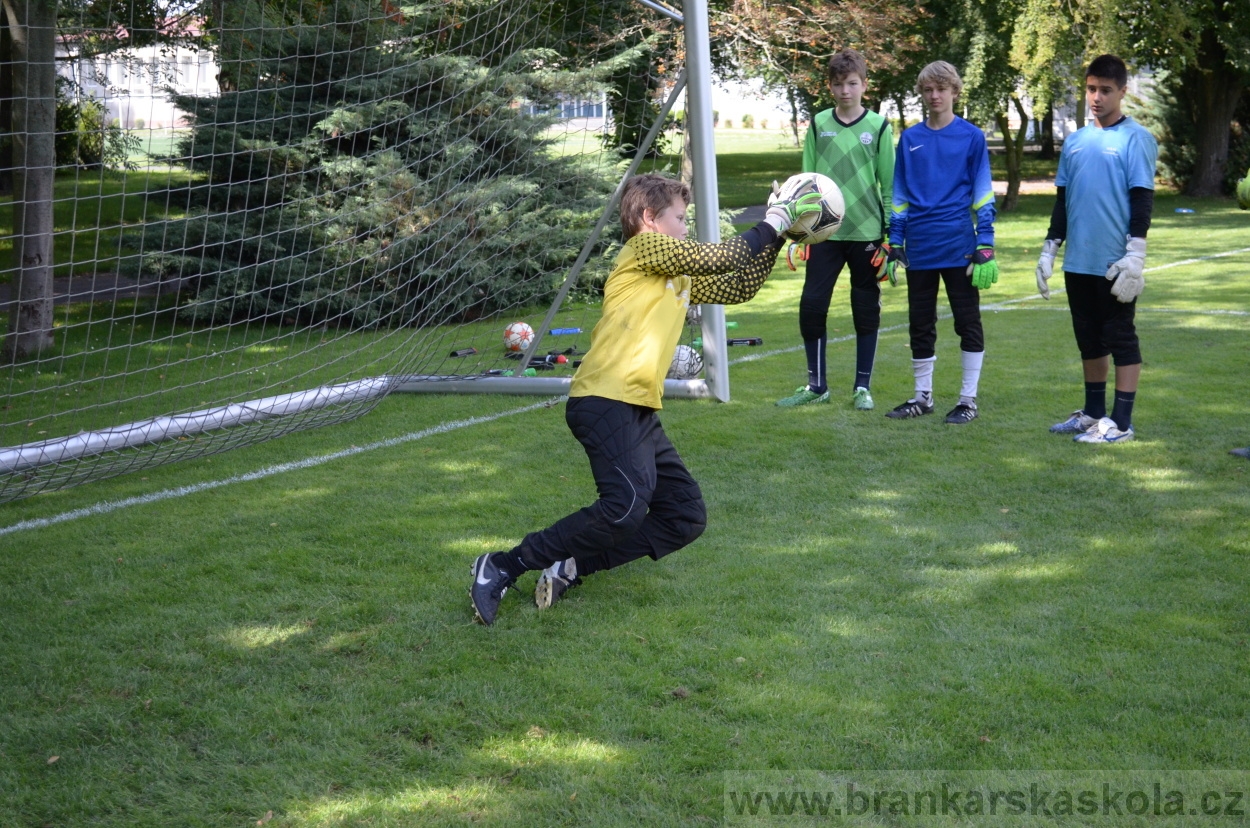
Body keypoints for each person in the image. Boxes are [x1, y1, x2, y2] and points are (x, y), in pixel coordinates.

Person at [469, 173, 820, 625]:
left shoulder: (676, 273)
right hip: (604, 397)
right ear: (649, 218)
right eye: (680, 217)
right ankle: (502, 564)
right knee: (625, 507)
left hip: (636, 407)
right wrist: (773, 220)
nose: (684, 227)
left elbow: (738, 286)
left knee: (684, 516)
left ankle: (572, 566)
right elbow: (723, 255)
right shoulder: (643, 251)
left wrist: (780, 236)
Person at [1035, 54, 1158, 444]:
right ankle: (1093, 413)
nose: (1097, 97)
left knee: (1120, 337)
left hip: (1114, 263)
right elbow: (1062, 202)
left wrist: (1135, 254)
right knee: (1087, 339)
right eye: (1091, 89)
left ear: (1123, 91)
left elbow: (1142, 201)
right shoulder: (1075, 141)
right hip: (1078, 261)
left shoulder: (1136, 139)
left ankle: (1120, 424)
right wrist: (1049, 249)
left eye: (1106, 90)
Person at [776, 47, 894, 412]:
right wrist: (797, 231)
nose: (846, 90)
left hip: (866, 233)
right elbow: (803, 184)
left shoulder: (878, 127)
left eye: (853, 83)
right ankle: (816, 385)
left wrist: (890, 237)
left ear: (864, 85)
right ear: (831, 87)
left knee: (865, 309)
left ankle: (863, 387)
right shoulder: (818, 124)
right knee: (812, 306)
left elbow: (889, 186)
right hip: (823, 235)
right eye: (840, 84)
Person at [882, 61, 998, 425]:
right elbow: (899, 194)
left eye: (941, 89)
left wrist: (986, 243)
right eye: (928, 90)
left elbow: (983, 193)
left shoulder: (972, 137)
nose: (934, 96)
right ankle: (922, 398)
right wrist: (895, 240)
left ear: (954, 92)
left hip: (959, 245)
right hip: (919, 246)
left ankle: (968, 400)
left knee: (967, 322)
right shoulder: (911, 139)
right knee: (920, 323)